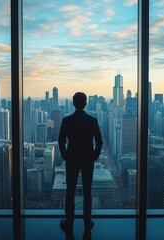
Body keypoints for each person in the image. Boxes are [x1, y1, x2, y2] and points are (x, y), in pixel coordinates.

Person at [59, 92, 103, 239]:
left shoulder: (67, 120)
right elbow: (99, 142)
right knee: (87, 192)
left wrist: (66, 156)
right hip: (87, 159)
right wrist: (93, 157)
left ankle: (69, 222)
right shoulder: (92, 120)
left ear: (73, 103)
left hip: (72, 159)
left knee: (70, 191)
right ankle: (87, 222)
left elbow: (61, 141)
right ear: (85, 103)